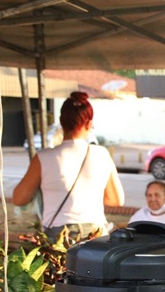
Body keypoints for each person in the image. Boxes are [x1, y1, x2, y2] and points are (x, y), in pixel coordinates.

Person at [12, 92, 124, 244]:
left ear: (61, 122)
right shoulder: (101, 154)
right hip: (95, 235)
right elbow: (116, 200)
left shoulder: (43, 157)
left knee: (62, 269)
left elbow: (19, 198)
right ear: (89, 124)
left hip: (58, 239)